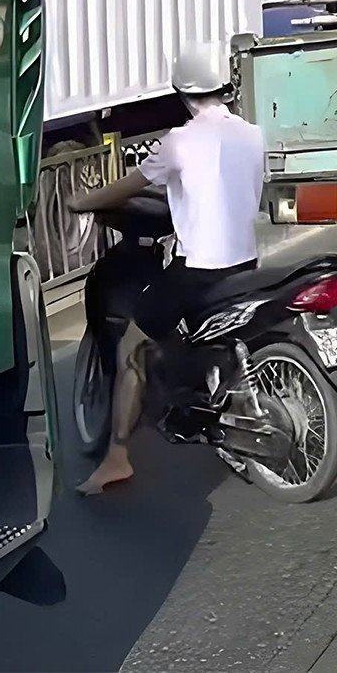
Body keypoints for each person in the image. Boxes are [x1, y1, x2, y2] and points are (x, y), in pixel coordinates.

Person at [68, 40, 267, 495]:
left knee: (132, 349)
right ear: (226, 85)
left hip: (199, 273)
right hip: (246, 263)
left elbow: (125, 188)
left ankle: (117, 457)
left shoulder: (179, 142)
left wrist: (82, 202)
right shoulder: (253, 134)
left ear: (181, 91)